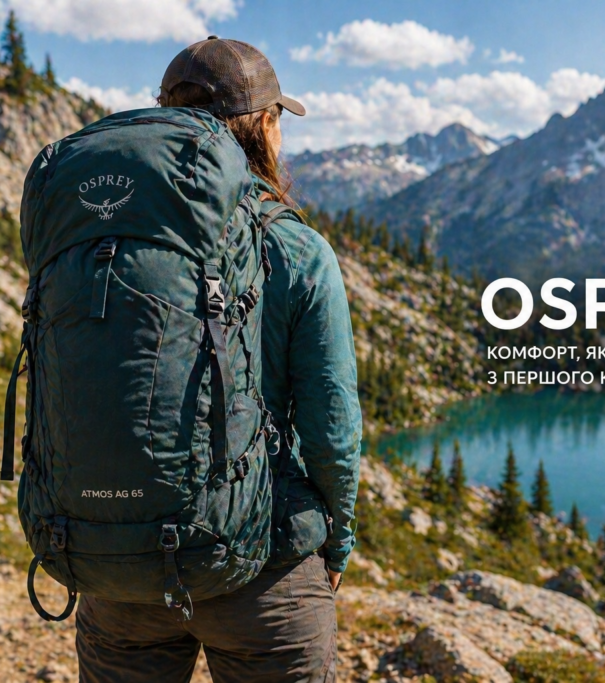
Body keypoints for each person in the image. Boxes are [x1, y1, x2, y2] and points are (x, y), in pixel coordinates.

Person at [73, 36, 362, 683]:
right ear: (265, 126)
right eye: (279, 119)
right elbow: (332, 427)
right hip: (265, 566)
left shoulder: (110, 236)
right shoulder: (295, 247)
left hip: (123, 564)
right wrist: (337, 541)